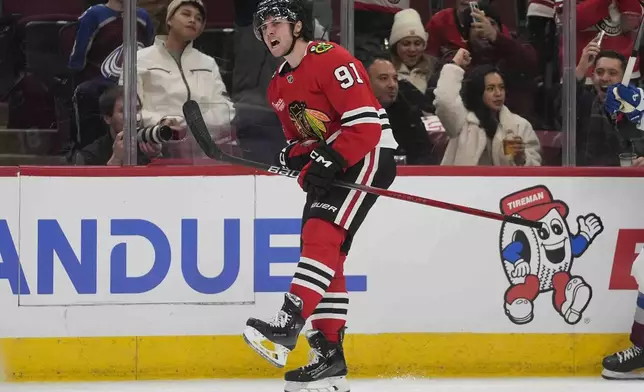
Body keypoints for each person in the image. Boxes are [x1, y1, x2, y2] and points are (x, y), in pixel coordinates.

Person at [243, 0, 398, 391]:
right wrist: (295, 156)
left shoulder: (331, 57)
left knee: (320, 236)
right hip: (337, 158)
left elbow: (365, 126)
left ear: (297, 26)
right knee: (328, 254)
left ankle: (287, 324)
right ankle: (330, 356)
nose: (269, 32)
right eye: (263, 28)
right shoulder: (277, 86)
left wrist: (327, 160)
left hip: (366, 153)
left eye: (275, 23)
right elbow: (302, 142)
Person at [434, 48, 541, 166]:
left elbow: (536, 167)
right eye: (490, 89)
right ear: (478, 92)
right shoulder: (462, 122)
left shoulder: (520, 126)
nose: (498, 93)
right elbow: (444, 100)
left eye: (501, 87)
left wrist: (522, 159)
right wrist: (455, 64)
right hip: (466, 184)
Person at [72, 86, 161, 165]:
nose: (134, 117)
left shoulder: (150, 143)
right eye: (124, 111)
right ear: (107, 118)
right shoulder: (91, 154)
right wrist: (116, 159)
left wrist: (156, 157)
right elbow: (93, 183)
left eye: (137, 109)